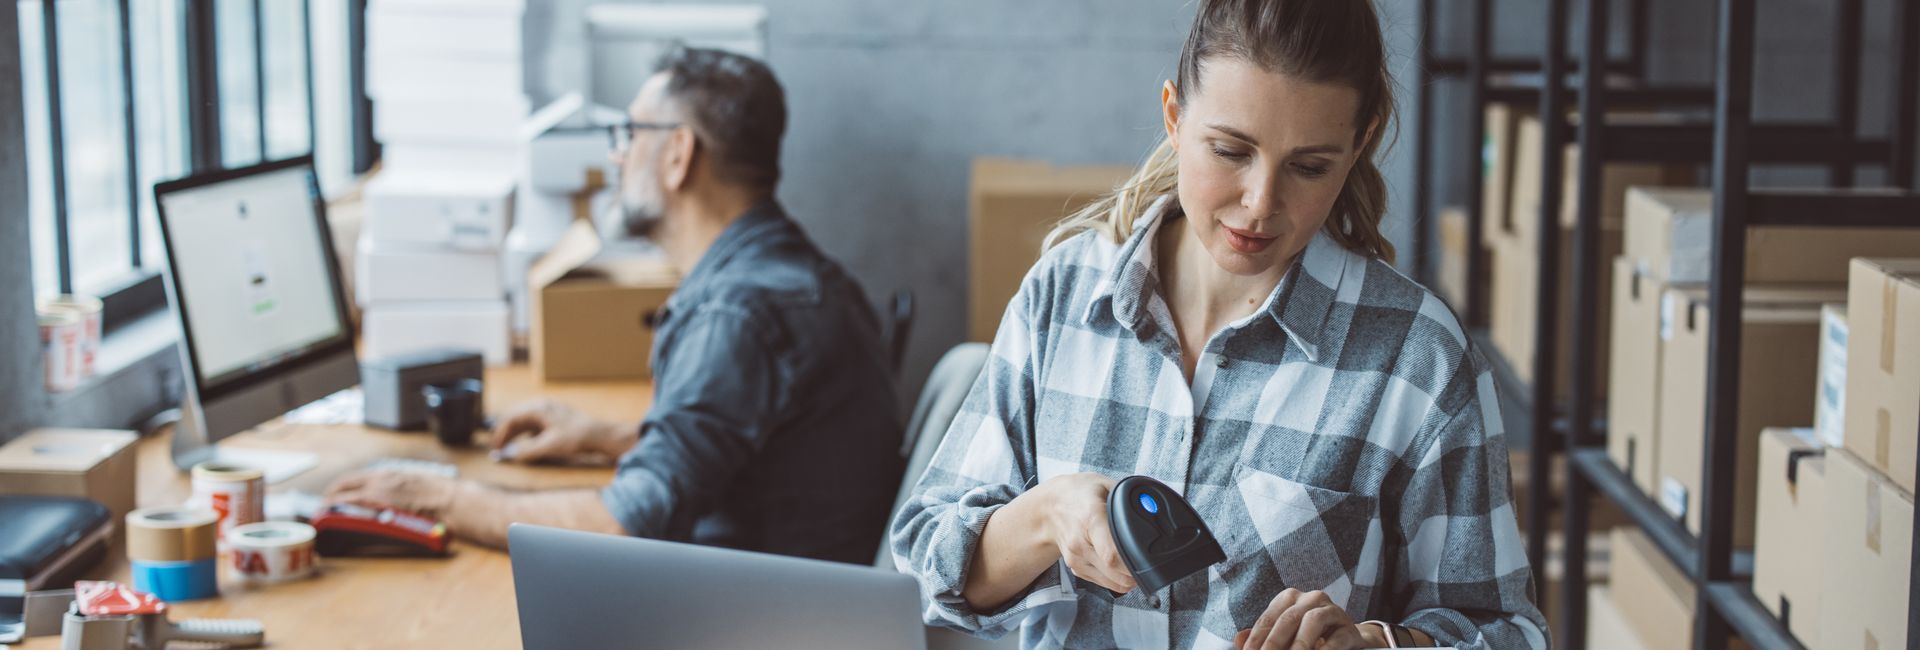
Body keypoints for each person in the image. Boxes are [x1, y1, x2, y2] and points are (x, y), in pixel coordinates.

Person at [890, 1, 1548, 648]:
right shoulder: (1062, 295)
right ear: (1174, 116)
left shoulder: (1418, 357)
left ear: (1360, 143)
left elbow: (1507, 633)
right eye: (1231, 151)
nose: (1260, 202)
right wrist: (1046, 516)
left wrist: (1375, 644)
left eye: (1309, 167)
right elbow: (924, 571)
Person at [327, 46, 905, 565]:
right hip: (801, 587)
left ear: (678, 153)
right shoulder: (799, 275)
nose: (616, 157)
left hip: (755, 615)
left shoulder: (737, 314)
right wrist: (602, 436)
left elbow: (624, 526)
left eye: (629, 133)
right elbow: (756, 447)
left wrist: (441, 497)